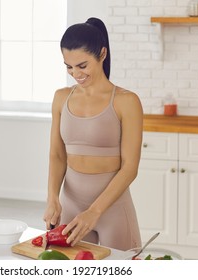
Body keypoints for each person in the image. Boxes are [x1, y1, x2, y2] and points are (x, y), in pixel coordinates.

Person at [43, 17, 143, 251]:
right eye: (69, 66)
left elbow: (130, 168)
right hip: (71, 206)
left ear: (102, 54)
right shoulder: (61, 98)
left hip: (113, 209)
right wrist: (52, 198)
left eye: (82, 65)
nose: (75, 73)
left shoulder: (126, 101)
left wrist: (94, 212)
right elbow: (57, 155)